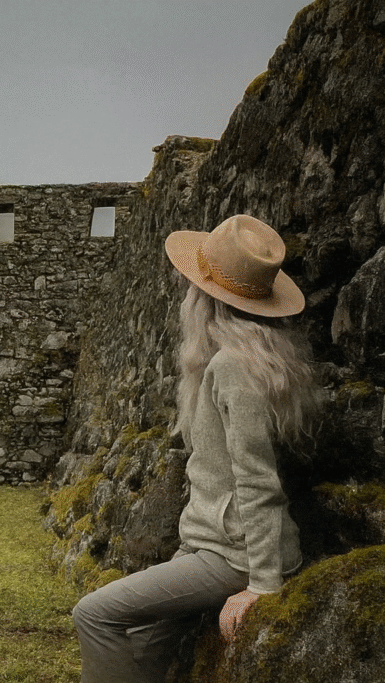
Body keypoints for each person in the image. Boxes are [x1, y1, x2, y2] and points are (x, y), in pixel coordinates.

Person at [71, 214, 320, 683]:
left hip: (233, 557)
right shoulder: (250, 360)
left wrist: (262, 587)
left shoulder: (233, 367)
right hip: (208, 547)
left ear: (203, 298)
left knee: (94, 614)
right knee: (142, 652)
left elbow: (258, 480)